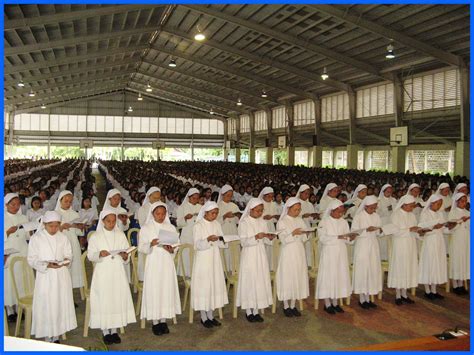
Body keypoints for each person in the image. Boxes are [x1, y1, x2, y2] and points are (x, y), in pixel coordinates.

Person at [27, 211, 77, 343]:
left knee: (59, 303)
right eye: (51, 226)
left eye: (56, 226)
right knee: (47, 305)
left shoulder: (63, 237)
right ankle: (47, 335)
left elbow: (69, 255)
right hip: (46, 277)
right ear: (44, 224)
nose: (54, 229)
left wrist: (66, 260)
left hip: (61, 276)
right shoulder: (36, 239)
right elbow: (31, 259)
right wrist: (47, 264)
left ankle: (57, 335)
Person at [87, 210, 136, 345]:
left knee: (116, 298)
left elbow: (126, 252)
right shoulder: (96, 237)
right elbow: (90, 255)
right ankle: (105, 331)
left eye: (114, 221)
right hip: (103, 272)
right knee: (105, 299)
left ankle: (114, 330)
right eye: (108, 221)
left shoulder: (120, 234)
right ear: (103, 221)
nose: (111, 223)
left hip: (117, 271)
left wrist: (126, 256)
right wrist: (99, 254)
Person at [139, 202, 181, 336]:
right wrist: (151, 244)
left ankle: (163, 320)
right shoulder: (146, 228)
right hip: (154, 262)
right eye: (158, 213)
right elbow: (141, 247)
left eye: (163, 213)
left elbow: (176, 244)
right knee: (155, 290)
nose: (161, 216)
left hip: (167, 262)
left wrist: (172, 248)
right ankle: (155, 322)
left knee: (165, 289)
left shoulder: (170, 227)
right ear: (152, 214)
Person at [191, 201, 228, 328]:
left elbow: (222, 242)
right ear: (205, 213)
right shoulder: (198, 225)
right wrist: (208, 239)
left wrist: (221, 240)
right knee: (204, 286)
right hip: (203, 260)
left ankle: (211, 315)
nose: (215, 215)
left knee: (213, 285)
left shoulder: (217, 224)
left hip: (214, 259)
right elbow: (197, 245)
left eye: (216, 213)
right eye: (213, 213)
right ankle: (203, 316)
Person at [236, 198, 274, 322]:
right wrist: (256, 237)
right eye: (258, 211)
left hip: (260, 254)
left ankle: (256, 310)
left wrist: (269, 236)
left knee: (259, 279)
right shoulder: (244, 223)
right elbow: (243, 242)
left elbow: (266, 239)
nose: (260, 213)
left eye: (261, 211)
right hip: (249, 255)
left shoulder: (262, 222)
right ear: (251, 210)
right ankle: (248, 310)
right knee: (250, 280)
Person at [316, 200, 355, 315]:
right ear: (332, 211)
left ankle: (336, 302)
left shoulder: (343, 222)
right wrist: (338, 237)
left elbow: (346, 238)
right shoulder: (324, 222)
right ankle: (327, 303)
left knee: (339, 276)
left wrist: (350, 239)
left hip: (341, 253)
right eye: (339, 212)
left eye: (342, 212)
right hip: (329, 253)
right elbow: (323, 238)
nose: (341, 214)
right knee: (329, 276)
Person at [386, 195, 425, 305]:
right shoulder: (396, 215)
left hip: (410, 245)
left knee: (408, 268)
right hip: (400, 245)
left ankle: (404, 294)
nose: (412, 208)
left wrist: (420, 232)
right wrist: (409, 229)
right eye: (411, 206)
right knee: (400, 269)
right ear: (404, 204)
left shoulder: (412, 215)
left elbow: (414, 230)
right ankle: (398, 295)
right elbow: (395, 231)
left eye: (413, 206)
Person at [275, 197, 309, 317]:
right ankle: (286, 305)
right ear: (288, 208)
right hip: (288, 252)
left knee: (297, 276)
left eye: (299, 210)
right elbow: (283, 239)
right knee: (288, 277)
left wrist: (305, 233)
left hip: (299, 251)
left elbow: (304, 238)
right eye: (295, 209)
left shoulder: (300, 220)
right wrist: (293, 234)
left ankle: (293, 305)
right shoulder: (282, 221)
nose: (297, 212)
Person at [418, 194, 454, 300]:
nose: (439, 206)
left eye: (440, 204)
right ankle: (427, 291)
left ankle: (434, 290)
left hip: (439, 241)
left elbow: (444, 230)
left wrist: (450, 227)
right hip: (429, 241)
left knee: (437, 265)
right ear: (432, 203)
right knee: (429, 264)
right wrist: (433, 227)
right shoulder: (425, 214)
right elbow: (422, 229)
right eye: (437, 204)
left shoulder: (440, 214)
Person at [351, 196, 383, 309]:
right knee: (363, 270)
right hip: (362, 246)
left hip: (373, 246)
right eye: (371, 208)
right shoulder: (358, 217)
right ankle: (361, 298)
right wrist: (365, 230)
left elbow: (379, 232)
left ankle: (368, 298)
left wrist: (380, 230)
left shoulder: (376, 216)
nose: (373, 210)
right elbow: (354, 231)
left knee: (372, 270)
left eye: (375, 208)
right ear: (365, 206)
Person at [4, 193, 30, 322]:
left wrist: (30, 231)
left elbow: (27, 236)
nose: (15, 207)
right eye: (12, 204)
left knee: (21, 280)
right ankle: (10, 309)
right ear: (6, 205)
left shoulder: (23, 218)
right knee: (9, 281)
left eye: (17, 204)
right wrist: (7, 232)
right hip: (8, 252)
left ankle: (22, 306)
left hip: (22, 251)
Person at [54, 191, 84, 300]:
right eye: (66, 201)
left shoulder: (75, 214)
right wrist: (61, 228)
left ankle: (70, 297)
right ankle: (62, 298)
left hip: (73, 244)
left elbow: (79, 233)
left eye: (70, 202)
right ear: (60, 200)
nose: (68, 204)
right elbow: (49, 233)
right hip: (60, 245)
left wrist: (80, 227)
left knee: (73, 269)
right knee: (63, 271)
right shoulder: (55, 214)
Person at [176, 188, 202, 277]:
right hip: (187, 233)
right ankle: (185, 273)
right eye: (193, 198)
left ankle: (196, 273)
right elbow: (178, 223)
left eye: (197, 198)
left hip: (197, 233)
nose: (195, 200)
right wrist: (185, 218)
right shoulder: (182, 207)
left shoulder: (200, 207)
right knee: (186, 254)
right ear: (189, 198)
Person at [448, 193, 470, 295]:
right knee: (457, 260)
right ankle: (455, 285)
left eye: (465, 201)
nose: (464, 203)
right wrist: (461, 220)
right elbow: (450, 227)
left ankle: (461, 284)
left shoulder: (468, 212)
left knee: (464, 260)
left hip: (466, 240)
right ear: (457, 202)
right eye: (462, 201)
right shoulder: (453, 212)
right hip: (457, 239)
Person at [217, 185, 240, 268]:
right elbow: (214, 222)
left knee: (233, 251)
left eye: (231, 195)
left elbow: (237, 221)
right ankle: (225, 270)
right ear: (222, 195)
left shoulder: (234, 206)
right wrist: (224, 216)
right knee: (225, 252)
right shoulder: (217, 206)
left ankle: (234, 269)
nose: (229, 197)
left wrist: (237, 216)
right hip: (224, 231)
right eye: (227, 195)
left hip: (233, 230)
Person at [296, 184, 319, 268]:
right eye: (305, 193)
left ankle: (308, 264)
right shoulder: (296, 203)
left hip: (307, 226)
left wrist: (315, 216)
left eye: (308, 194)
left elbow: (312, 220)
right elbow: (291, 216)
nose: (306, 195)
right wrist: (302, 216)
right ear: (300, 193)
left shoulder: (309, 204)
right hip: (298, 227)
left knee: (308, 246)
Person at [257, 187, 279, 270]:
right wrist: (263, 217)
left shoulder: (273, 204)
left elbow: (275, 215)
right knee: (265, 246)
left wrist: (275, 217)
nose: (271, 198)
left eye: (272, 196)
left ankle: (272, 267)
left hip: (271, 226)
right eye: (269, 196)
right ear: (264, 196)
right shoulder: (260, 204)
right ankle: (264, 267)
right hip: (262, 227)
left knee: (272, 246)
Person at [377, 184, 397, 260]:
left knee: (391, 241)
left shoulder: (394, 200)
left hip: (391, 222)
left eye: (390, 191)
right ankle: (383, 258)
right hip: (383, 222)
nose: (389, 192)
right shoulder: (378, 201)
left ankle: (390, 258)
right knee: (383, 241)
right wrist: (387, 209)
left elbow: (396, 211)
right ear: (383, 191)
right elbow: (377, 213)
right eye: (387, 191)